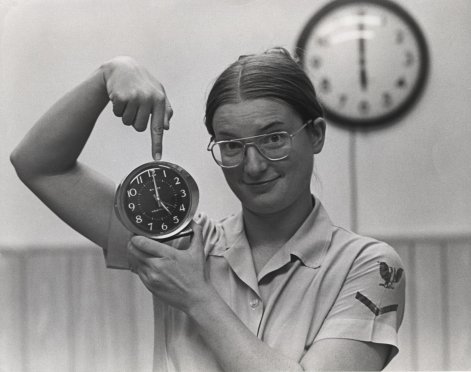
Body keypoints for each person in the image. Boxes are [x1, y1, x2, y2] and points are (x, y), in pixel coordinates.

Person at [11, 47, 405, 371]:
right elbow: (39, 166)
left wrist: (197, 297)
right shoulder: (178, 240)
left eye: (274, 138)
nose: (253, 165)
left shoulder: (368, 266)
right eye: (231, 145)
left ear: (315, 134)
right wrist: (108, 73)